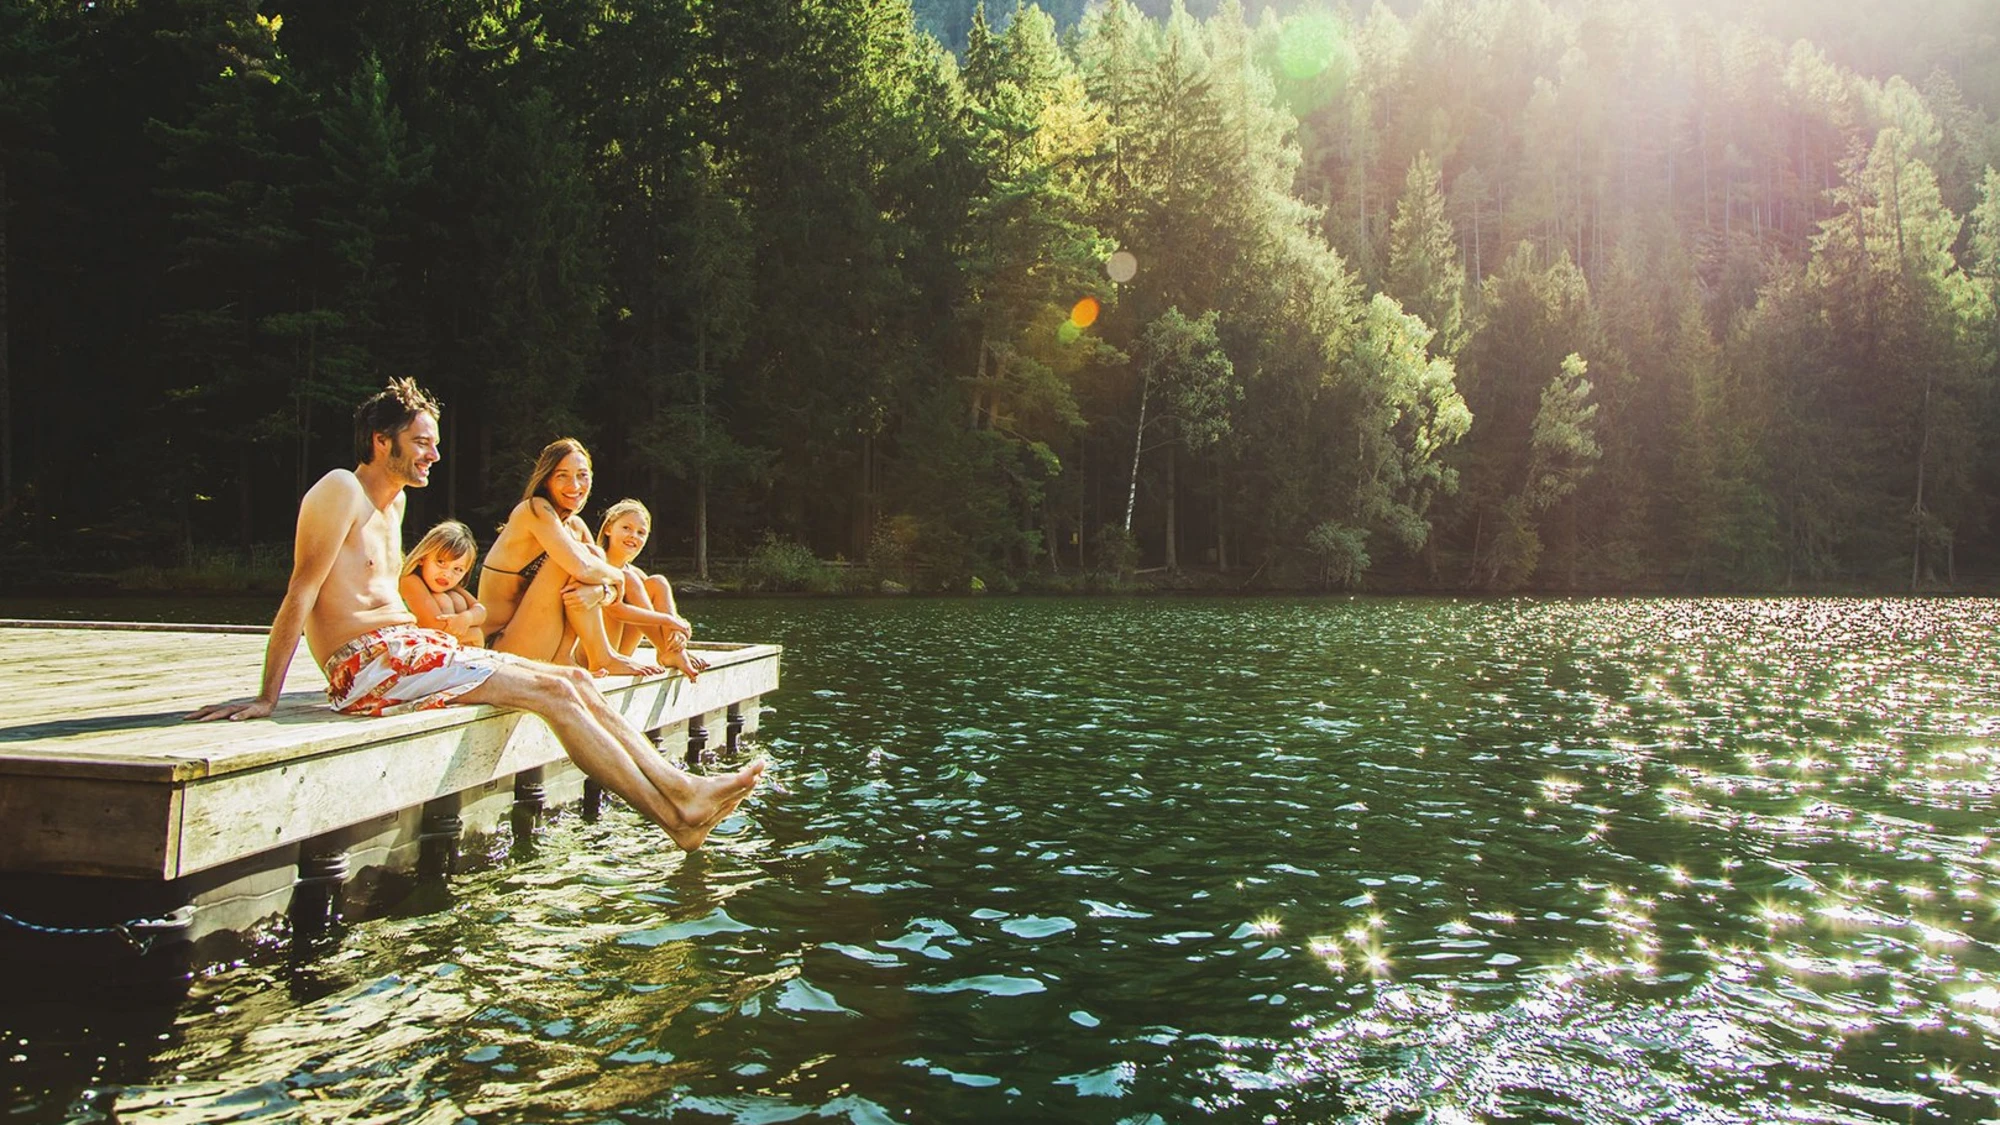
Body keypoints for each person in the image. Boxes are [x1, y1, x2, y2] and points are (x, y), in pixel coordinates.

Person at [186, 379, 761, 851]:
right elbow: (300, 593)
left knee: (575, 679)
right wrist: (268, 696)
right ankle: (679, 807)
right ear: (382, 441)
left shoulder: (395, 502)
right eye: (422, 442)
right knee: (554, 695)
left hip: (409, 652)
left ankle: (682, 791)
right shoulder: (340, 489)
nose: (435, 454)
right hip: (367, 664)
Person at [477, 439, 663, 679]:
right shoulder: (533, 510)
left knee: (595, 559)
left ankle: (576, 657)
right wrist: (616, 577)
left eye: (582, 475)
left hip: (548, 645)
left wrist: (600, 592)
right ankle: (602, 657)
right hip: (502, 648)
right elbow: (585, 568)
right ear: (546, 480)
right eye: (562, 476)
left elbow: (602, 584)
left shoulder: (575, 526)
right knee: (591, 556)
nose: (574, 485)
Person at [598, 498, 710, 681]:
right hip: (594, 653)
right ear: (608, 528)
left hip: (622, 653)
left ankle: (671, 650)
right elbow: (615, 611)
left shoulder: (636, 576)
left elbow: (664, 612)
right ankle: (670, 651)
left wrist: (678, 630)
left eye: (641, 532)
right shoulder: (594, 564)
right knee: (628, 579)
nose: (633, 535)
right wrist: (670, 622)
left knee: (658, 582)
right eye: (626, 528)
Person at [399, 520, 487, 647]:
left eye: (458, 569)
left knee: (457, 599)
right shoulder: (409, 580)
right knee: (443, 600)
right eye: (441, 562)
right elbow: (436, 628)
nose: (447, 574)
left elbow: (481, 610)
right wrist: (476, 634)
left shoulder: (448, 583)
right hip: (412, 644)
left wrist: (467, 617)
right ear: (422, 558)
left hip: (442, 641)